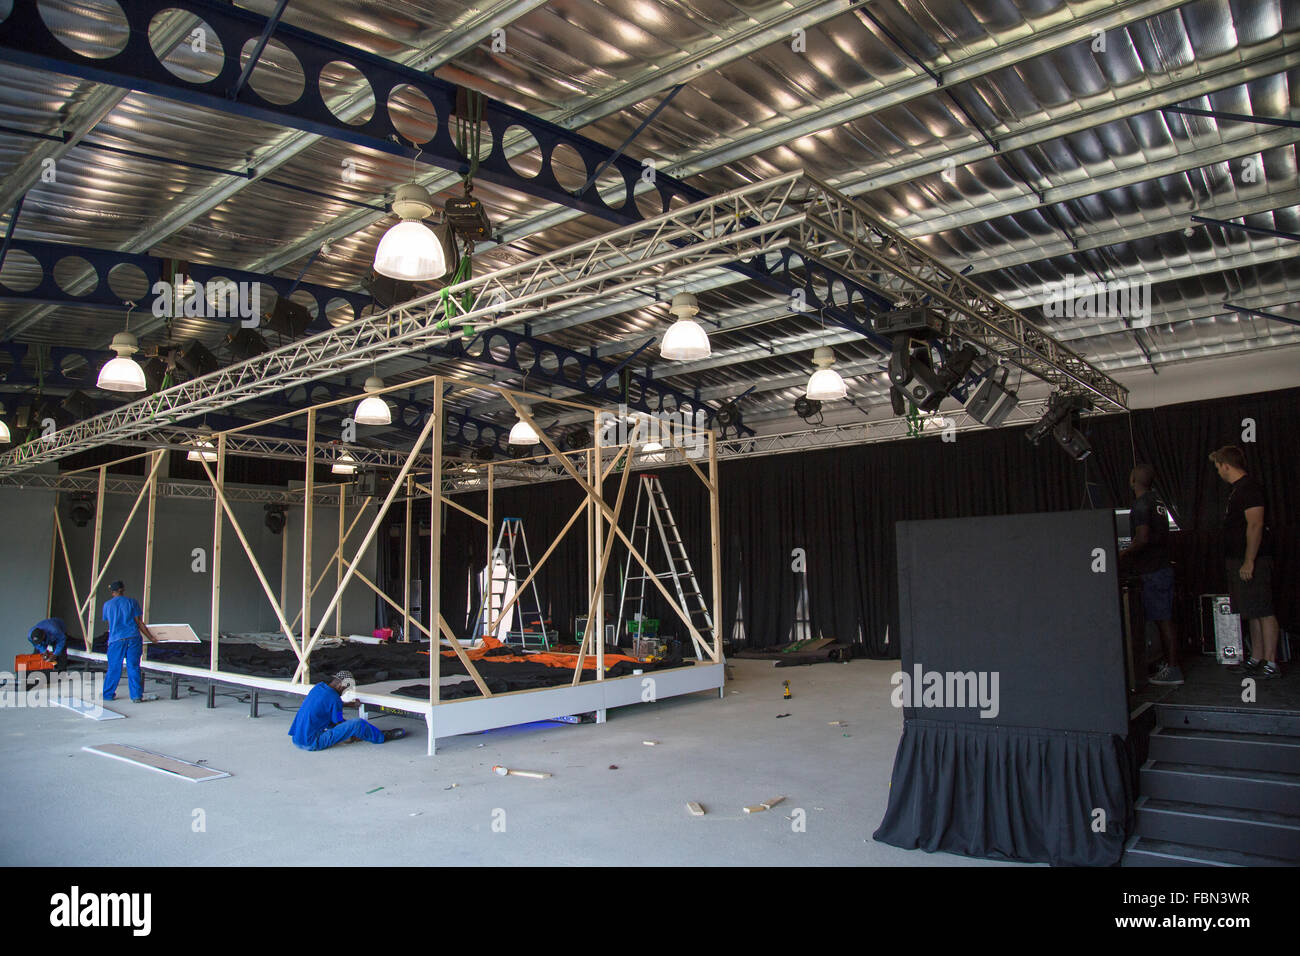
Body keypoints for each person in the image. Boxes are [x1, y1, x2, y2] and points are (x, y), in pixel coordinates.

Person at [1210, 446, 1280, 679]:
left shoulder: (1249, 488)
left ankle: (1271, 663)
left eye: (1218, 466)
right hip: (1239, 559)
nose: (1218, 471)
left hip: (1254, 560)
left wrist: (1249, 560)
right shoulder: (1237, 490)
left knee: (1265, 610)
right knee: (1251, 609)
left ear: (1226, 465)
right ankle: (1256, 657)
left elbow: (1255, 525)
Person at [1119, 464, 1181, 685]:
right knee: (1162, 618)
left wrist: (1123, 553)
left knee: (1162, 619)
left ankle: (1173, 670)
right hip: (1160, 567)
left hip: (1153, 570)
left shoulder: (1141, 504)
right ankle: (1167, 664)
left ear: (1134, 479)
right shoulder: (1157, 501)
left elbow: (1142, 538)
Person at [288, 671, 406, 751]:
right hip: (312, 743)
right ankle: (382, 737)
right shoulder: (335, 699)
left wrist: (349, 704)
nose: (344, 692)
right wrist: (351, 731)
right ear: (341, 686)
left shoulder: (318, 688)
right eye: (345, 689)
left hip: (297, 739)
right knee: (357, 724)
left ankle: (352, 736)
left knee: (330, 719)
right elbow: (339, 722)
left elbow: (327, 705)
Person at [101, 580, 159, 702]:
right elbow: (139, 623)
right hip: (133, 638)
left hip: (116, 640)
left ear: (112, 592)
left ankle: (108, 695)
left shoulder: (107, 605)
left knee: (114, 668)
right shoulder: (132, 602)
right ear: (123, 589)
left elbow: (110, 623)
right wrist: (151, 637)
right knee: (133, 666)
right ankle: (136, 696)